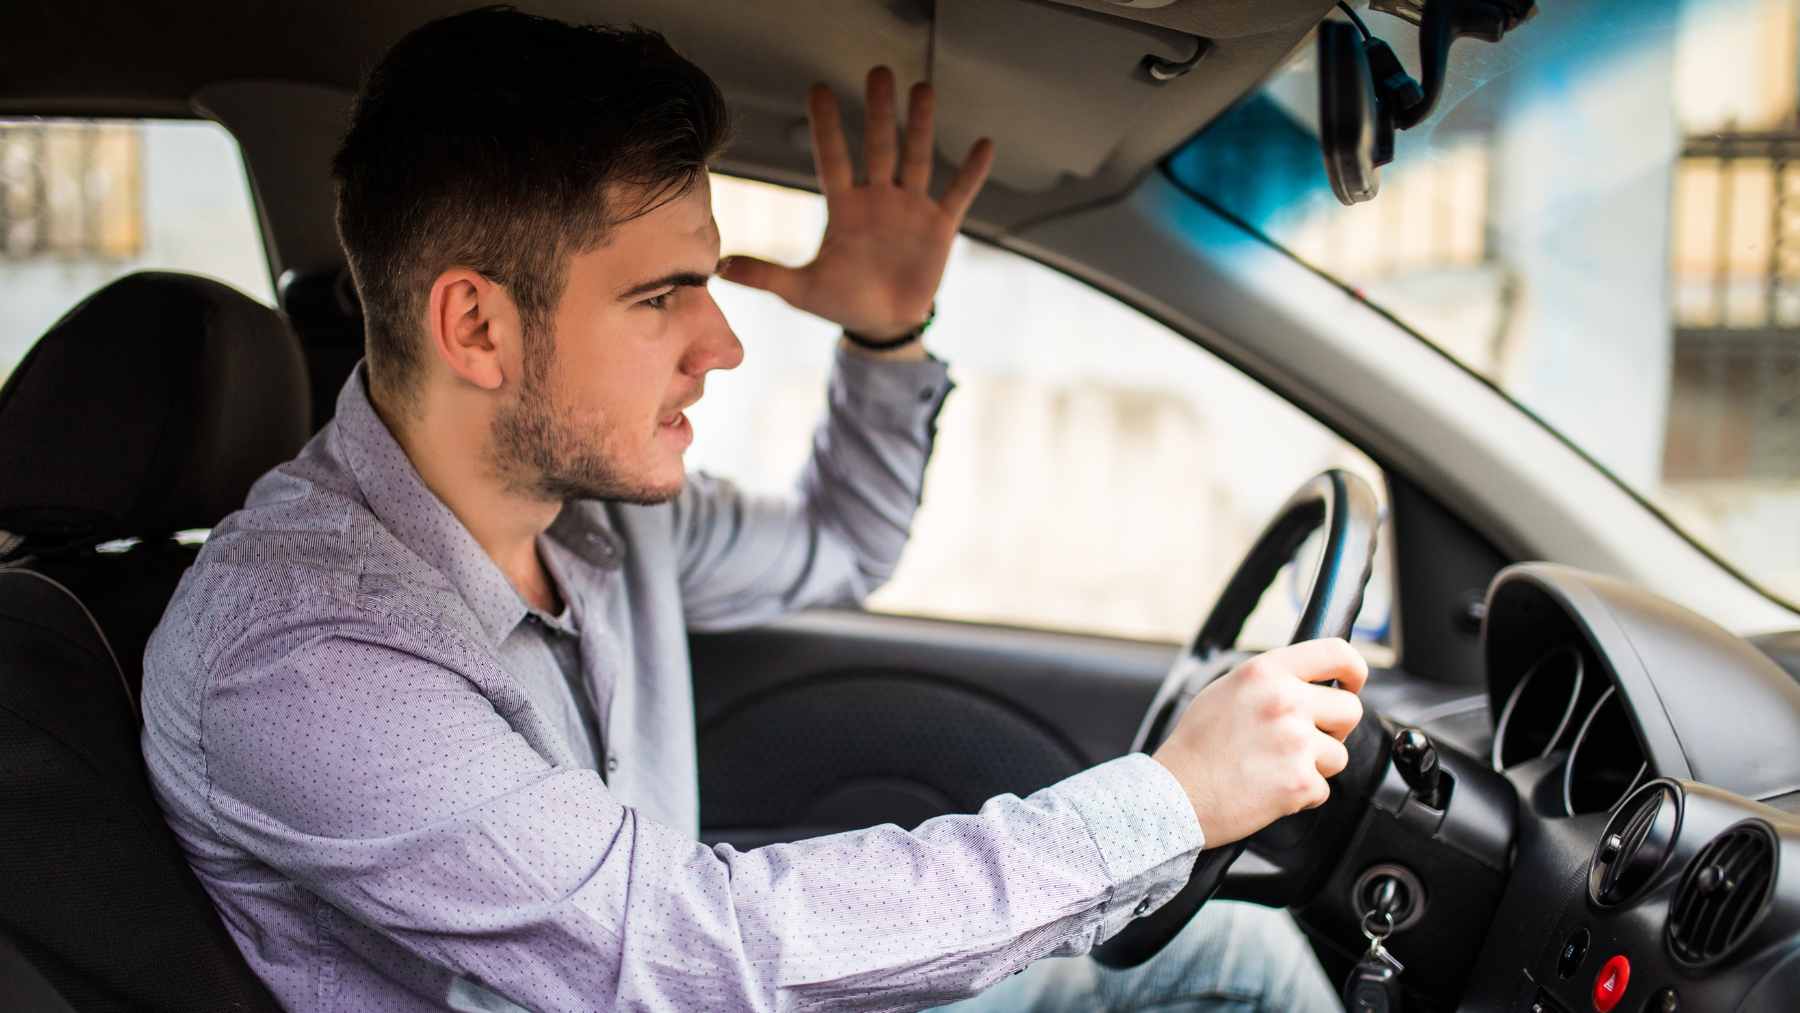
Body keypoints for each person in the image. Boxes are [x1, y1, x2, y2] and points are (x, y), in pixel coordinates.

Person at [140, 7, 1361, 1011]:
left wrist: (886, 338)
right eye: (662, 295)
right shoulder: (300, 655)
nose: (722, 342)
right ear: (478, 326)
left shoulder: (595, 515)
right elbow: (681, 949)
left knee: (1229, 963)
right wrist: (1167, 801)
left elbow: (843, 542)